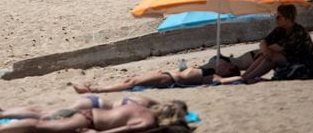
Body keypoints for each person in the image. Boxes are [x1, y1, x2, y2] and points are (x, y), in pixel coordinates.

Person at [219, 4, 313, 84]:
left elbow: (278, 48)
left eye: (278, 17)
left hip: (306, 64)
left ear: (286, 18)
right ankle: (244, 77)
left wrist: (265, 50)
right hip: (290, 60)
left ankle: (245, 78)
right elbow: (263, 42)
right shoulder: (280, 30)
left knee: (271, 56)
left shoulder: (298, 32)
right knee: (267, 55)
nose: (276, 19)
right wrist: (264, 50)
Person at [0, 99, 187, 132]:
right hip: (89, 120)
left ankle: (0, 120)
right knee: (41, 125)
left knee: (43, 118)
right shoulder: (149, 121)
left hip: (88, 113)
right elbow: (124, 130)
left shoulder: (142, 107)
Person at [72, 57, 239, 93]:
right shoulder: (211, 71)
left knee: (132, 82)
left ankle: (94, 89)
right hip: (166, 74)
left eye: (227, 65)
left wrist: (248, 78)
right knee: (129, 80)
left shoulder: (216, 78)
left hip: (169, 79)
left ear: (228, 71)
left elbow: (235, 79)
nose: (224, 64)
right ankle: (94, 89)